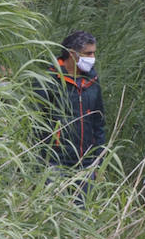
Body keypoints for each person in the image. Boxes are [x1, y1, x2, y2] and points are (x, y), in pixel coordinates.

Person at [36, 30, 106, 182]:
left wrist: (98, 161)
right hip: (54, 162)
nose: (92, 58)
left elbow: (98, 122)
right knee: (52, 204)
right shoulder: (48, 79)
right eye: (88, 54)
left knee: (83, 205)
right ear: (72, 54)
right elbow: (36, 122)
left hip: (86, 163)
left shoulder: (93, 80)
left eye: (93, 53)